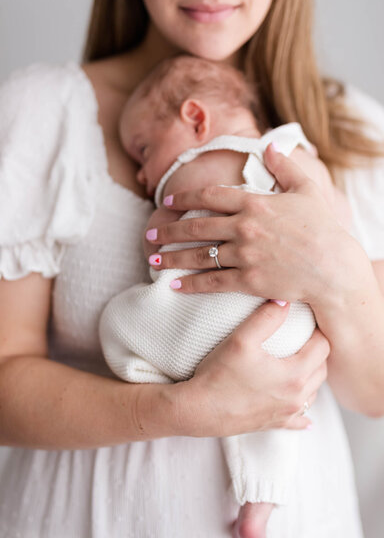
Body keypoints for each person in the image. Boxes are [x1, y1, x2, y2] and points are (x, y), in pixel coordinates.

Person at [0, 0, 384, 537]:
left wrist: (331, 263)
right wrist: (178, 411)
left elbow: (379, 393)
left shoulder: (348, 132)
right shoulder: (43, 110)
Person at [99, 54, 335, 537]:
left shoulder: (192, 166)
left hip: (216, 320)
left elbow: (157, 244)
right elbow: (334, 226)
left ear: (195, 119)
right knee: (280, 406)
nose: (143, 175)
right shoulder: (292, 151)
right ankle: (262, 503)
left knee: (118, 322)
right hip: (290, 323)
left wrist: (158, 223)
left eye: (143, 151)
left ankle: (146, 373)